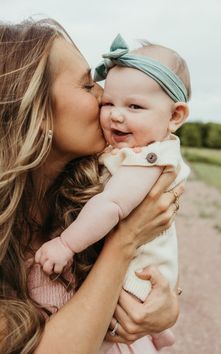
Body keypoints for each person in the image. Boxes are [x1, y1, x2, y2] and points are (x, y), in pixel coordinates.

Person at [0, 19, 184, 354]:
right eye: (89, 87)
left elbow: (153, 262)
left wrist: (167, 304)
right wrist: (124, 241)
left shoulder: (88, 188)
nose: (105, 100)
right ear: (36, 112)